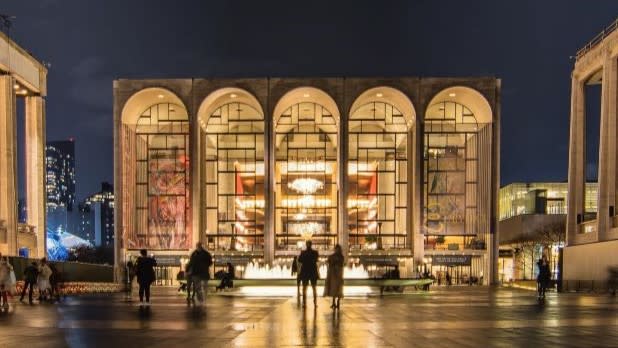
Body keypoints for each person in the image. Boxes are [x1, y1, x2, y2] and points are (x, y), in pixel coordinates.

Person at [298, 240, 319, 307]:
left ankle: (304, 303)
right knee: (314, 288)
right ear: (311, 244)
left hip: (305, 272)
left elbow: (299, 260)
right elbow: (316, 260)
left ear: (306, 245)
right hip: (312, 271)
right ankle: (315, 303)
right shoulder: (315, 253)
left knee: (304, 288)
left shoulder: (303, 252)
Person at [324, 244, 344, 310]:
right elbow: (330, 263)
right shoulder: (339, 256)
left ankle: (337, 302)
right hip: (335, 274)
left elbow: (340, 264)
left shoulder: (338, 256)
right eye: (336, 249)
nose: (336, 250)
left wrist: (331, 262)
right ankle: (334, 302)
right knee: (335, 288)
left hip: (337, 274)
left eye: (337, 249)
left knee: (337, 288)